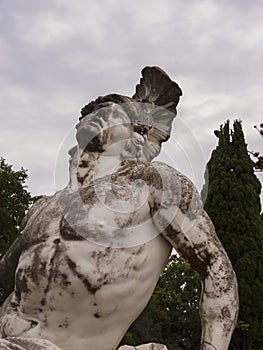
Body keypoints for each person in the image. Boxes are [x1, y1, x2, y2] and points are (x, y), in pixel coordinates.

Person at [0, 67, 238, 350]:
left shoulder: (152, 183)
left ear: (138, 136)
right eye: (94, 110)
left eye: (111, 110)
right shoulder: (43, 208)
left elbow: (216, 270)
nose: (97, 111)